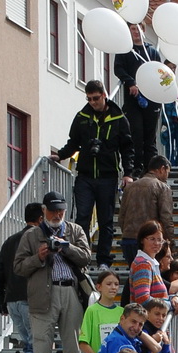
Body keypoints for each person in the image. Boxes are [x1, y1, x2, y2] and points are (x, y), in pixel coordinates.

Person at [12, 192, 90, 353]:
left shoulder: (75, 230)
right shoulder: (32, 235)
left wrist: (66, 247)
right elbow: (18, 267)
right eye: (53, 210)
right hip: (42, 296)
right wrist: (39, 257)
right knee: (41, 350)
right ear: (43, 211)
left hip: (70, 292)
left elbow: (85, 256)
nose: (57, 214)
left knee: (73, 350)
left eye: (61, 211)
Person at [50, 80, 130, 266]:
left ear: (104, 95)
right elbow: (73, 142)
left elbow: (127, 148)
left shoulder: (118, 118)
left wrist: (129, 173)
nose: (93, 102)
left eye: (96, 98)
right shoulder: (82, 117)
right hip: (85, 175)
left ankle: (103, 259)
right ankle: (82, 257)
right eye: (89, 99)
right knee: (82, 218)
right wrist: (60, 155)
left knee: (106, 220)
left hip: (108, 176)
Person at [0, 202, 43, 353]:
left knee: (31, 344)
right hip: (31, 300)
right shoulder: (39, 240)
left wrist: (1, 302)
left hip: (12, 301)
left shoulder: (10, 241)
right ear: (41, 219)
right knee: (37, 345)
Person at [113, 24, 164, 173]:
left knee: (150, 136)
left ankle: (151, 168)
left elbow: (159, 72)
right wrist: (130, 82)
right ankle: (136, 167)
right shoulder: (124, 50)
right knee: (135, 132)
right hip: (132, 99)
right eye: (133, 29)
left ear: (143, 30)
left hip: (151, 98)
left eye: (138, 29)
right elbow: (118, 69)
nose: (136, 32)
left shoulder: (152, 52)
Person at [119, 156, 173, 265]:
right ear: (162, 169)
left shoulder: (129, 187)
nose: (167, 176)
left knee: (135, 274)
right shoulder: (162, 187)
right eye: (167, 172)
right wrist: (170, 242)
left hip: (128, 239)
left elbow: (121, 217)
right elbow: (166, 217)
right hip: (150, 241)